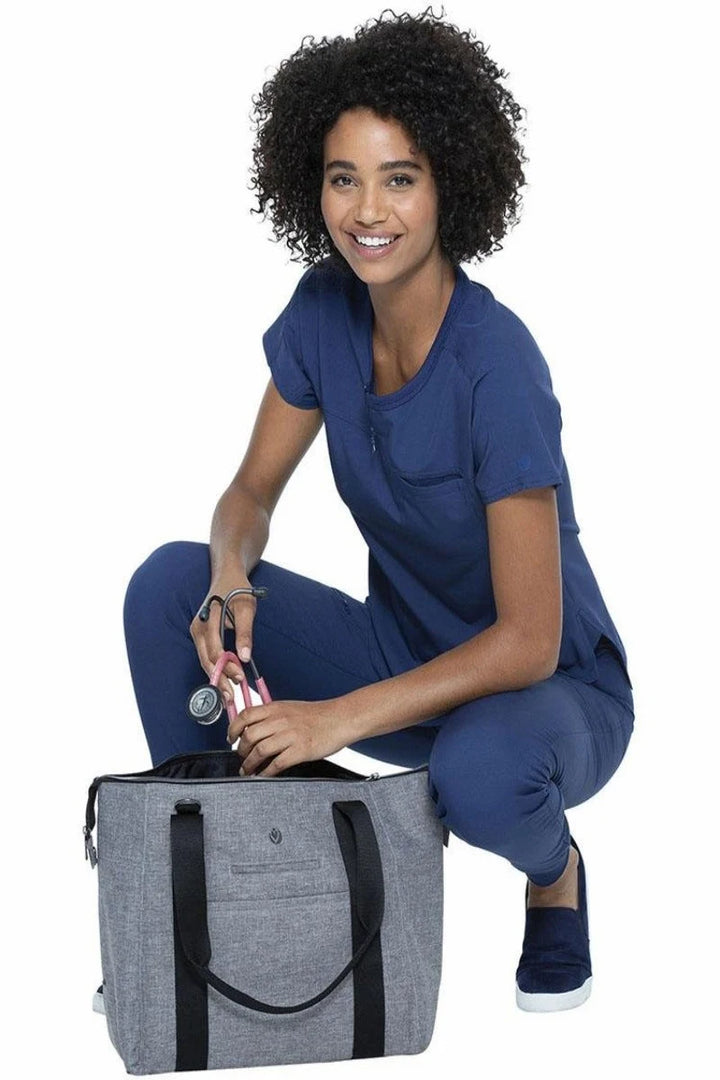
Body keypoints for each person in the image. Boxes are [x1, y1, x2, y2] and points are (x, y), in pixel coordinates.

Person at [123, 8, 635, 1014]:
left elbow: (529, 640)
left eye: (399, 177)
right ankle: (225, 875)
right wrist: (231, 579)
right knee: (169, 586)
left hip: (542, 700)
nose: (368, 209)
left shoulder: (498, 367)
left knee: (480, 778)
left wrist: (332, 722)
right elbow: (248, 495)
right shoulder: (323, 309)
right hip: (401, 662)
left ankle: (556, 876)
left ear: (450, 183)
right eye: (342, 176)